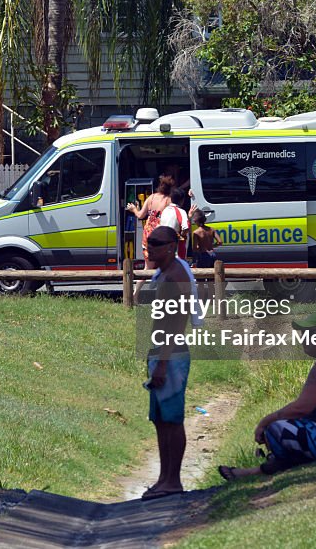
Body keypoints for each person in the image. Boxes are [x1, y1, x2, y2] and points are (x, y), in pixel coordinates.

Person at [218, 314, 316, 480]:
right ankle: (261, 469)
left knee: (276, 429)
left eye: (309, 333)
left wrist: (264, 422)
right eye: (302, 333)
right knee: (288, 428)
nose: (303, 338)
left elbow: (301, 408)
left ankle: (272, 469)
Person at [142, 225, 195, 499]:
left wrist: (162, 363)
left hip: (171, 356)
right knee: (160, 420)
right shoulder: (163, 274)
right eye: (149, 242)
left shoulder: (175, 277)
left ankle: (173, 480)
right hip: (161, 354)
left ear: (172, 247)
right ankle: (164, 478)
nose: (150, 247)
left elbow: (176, 323)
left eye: (157, 243)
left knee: (172, 421)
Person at [126, 174, 173, 269]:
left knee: (147, 269)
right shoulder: (169, 201)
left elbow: (140, 215)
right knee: (166, 267)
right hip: (161, 236)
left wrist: (134, 209)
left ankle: (137, 284)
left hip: (148, 235)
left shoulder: (151, 198)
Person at [159, 188, 190, 259]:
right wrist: (181, 236)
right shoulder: (181, 211)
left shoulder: (164, 211)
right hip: (177, 252)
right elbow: (186, 228)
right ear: (182, 200)